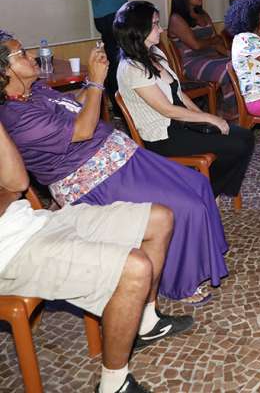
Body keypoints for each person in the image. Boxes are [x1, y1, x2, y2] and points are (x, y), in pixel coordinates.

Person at [0, 31, 228, 306]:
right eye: (21, 53)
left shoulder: (34, 90)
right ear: (4, 70)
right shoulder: (15, 117)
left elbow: (75, 106)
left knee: (198, 184)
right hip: (92, 179)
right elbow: (82, 130)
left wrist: (88, 85)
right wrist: (97, 83)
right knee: (185, 205)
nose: (32, 56)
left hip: (120, 157)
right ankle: (179, 282)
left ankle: (205, 259)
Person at [0, 121, 191, 393]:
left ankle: (146, 323)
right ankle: (114, 385)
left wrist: (7, 192)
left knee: (160, 218)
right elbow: (9, 189)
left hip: (38, 221)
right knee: (135, 268)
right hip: (10, 253)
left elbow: (17, 183)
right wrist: (6, 193)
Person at [115, 1, 255, 200]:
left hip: (181, 124)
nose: (160, 28)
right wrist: (211, 119)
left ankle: (209, 189)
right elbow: (167, 110)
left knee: (245, 137)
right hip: (165, 136)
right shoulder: (132, 68)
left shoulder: (154, 53)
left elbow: (179, 95)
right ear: (139, 30)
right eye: (155, 24)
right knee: (237, 144)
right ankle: (205, 192)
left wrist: (203, 116)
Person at [168, 0, 234, 112]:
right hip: (192, 62)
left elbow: (218, 41)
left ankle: (243, 109)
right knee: (229, 71)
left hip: (212, 57)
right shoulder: (176, 19)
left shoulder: (203, 15)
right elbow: (196, 45)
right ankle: (231, 111)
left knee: (240, 65)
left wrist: (229, 54)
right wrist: (213, 41)